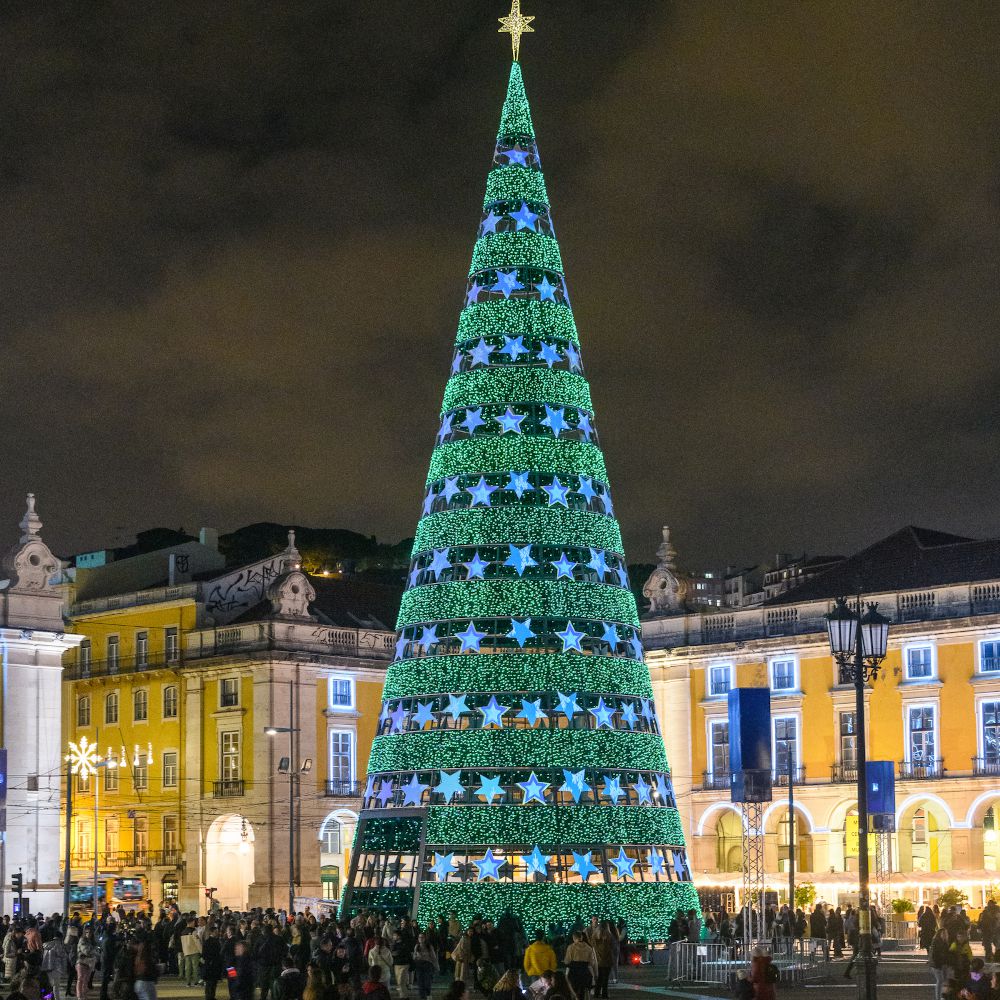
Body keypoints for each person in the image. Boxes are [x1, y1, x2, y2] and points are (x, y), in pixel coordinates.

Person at [563, 933, 596, 1000]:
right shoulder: (589, 948)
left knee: (573, 988)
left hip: (574, 972)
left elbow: (567, 961)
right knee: (584, 989)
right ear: (582, 938)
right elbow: (591, 962)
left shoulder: (571, 947)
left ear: (574, 938)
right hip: (585, 971)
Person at [411, 934, 438, 1000]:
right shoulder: (417, 946)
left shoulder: (429, 946)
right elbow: (414, 956)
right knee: (420, 981)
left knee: (427, 981)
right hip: (419, 964)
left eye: (422, 937)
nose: (421, 938)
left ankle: (428, 994)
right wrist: (416, 957)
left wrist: (436, 965)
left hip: (427, 964)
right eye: (419, 937)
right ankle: (422, 996)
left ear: (425, 938)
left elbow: (433, 956)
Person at [133, 935, 160, 1000]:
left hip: (139, 982)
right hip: (146, 982)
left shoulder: (138, 957)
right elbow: (149, 971)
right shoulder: (147, 959)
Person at [75, 929, 99, 1000]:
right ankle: (79, 996)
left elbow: (96, 951)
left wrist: (94, 951)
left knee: (86, 980)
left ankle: (84, 995)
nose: (88, 934)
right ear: (84, 933)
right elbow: (86, 951)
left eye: (90, 933)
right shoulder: (82, 940)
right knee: (80, 978)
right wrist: (94, 951)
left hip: (89, 963)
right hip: (81, 962)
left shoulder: (91, 941)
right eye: (87, 932)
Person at [202, 925, 223, 1000]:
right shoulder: (214, 941)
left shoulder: (208, 941)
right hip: (212, 964)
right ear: (212, 932)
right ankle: (210, 996)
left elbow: (204, 954)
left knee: (211, 982)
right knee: (211, 982)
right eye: (216, 932)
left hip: (210, 964)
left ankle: (210, 996)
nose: (217, 933)